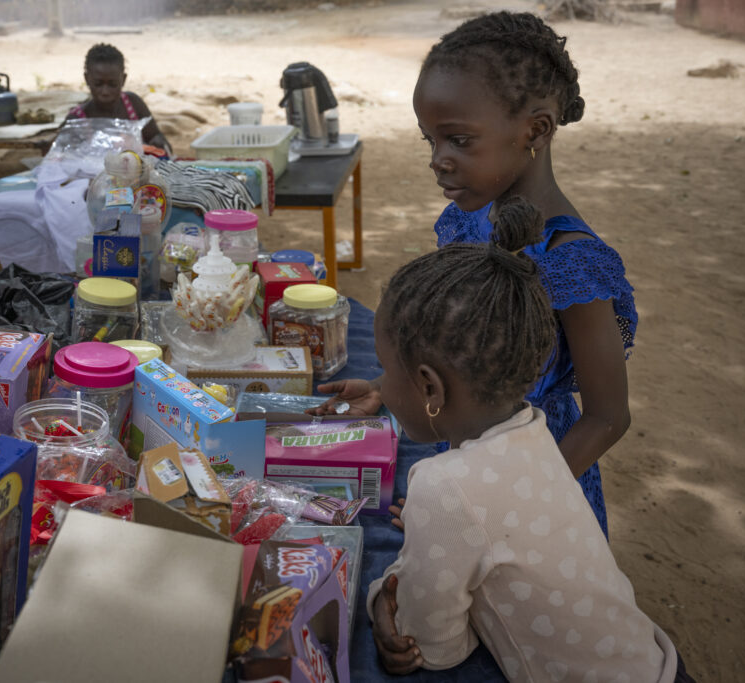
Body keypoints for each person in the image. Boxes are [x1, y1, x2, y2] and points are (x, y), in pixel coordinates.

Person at [312, 12, 636, 536]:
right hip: (461, 459)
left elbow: (608, 416)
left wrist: (500, 506)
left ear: (535, 130)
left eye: (459, 140)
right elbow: (457, 347)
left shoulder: (573, 262)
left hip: (534, 490)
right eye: (430, 141)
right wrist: (386, 390)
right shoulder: (469, 219)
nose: (438, 160)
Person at [367, 196, 693, 682]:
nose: (381, 384)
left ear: (430, 388)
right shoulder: (534, 434)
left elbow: (435, 648)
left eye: (385, 369)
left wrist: (381, 599)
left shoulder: (443, 486)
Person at [65, 43, 171, 154]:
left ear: (123, 79)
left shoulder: (134, 104)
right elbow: (66, 154)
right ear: (87, 79)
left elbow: (154, 135)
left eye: (113, 84)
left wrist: (159, 143)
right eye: (98, 84)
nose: (105, 92)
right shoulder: (77, 120)